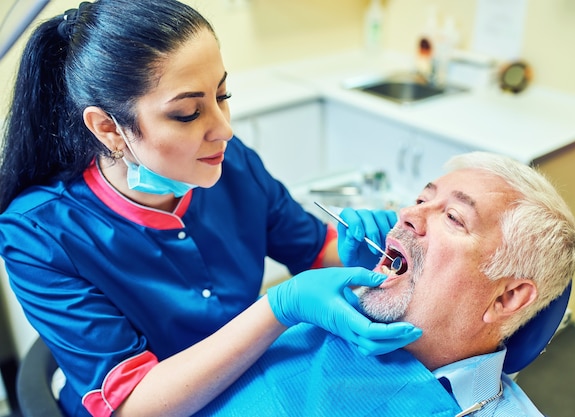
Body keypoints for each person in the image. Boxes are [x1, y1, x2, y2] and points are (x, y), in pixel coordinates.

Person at [0, 1, 421, 416]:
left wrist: (359, 251)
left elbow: (311, 249)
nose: (224, 129)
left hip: (249, 385)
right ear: (109, 128)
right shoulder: (38, 233)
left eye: (223, 95)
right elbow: (134, 405)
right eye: (187, 114)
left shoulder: (231, 164)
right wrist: (278, 308)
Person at [188, 151, 575, 416]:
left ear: (508, 296)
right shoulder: (322, 318)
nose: (409, 214)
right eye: (421, 198)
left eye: (454, 218)